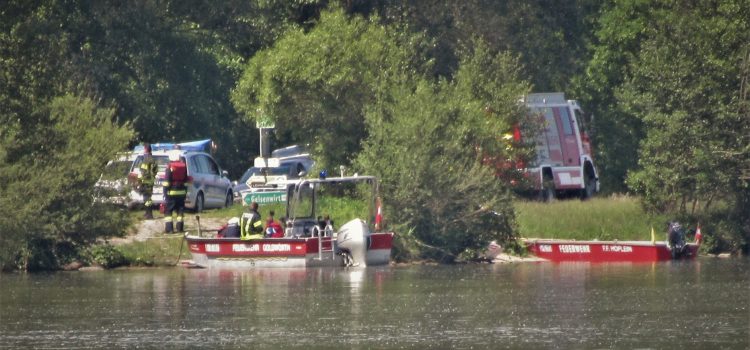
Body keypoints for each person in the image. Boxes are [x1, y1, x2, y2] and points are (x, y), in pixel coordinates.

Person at [163, 150, 190, 233]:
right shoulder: (183, 167)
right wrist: (185, 192)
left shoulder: (170, 167)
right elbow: (186, 181)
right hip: (181, 193)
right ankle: (180, 228)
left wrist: (165, 192)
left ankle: (169, 229)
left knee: (168, 211)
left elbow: (167, 182)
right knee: (180, 211)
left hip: (172, 192)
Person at [138, 143, 158, 219]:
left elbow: (143, 171)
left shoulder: (146, 159)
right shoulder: (153, 159)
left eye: (143, 149)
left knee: (146, 198)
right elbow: (155, 170)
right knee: (148, 198)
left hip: (145, 181)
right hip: (150, 181)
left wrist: (141, 180)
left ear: (146, 149)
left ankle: (149, 214)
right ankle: (148, 213)